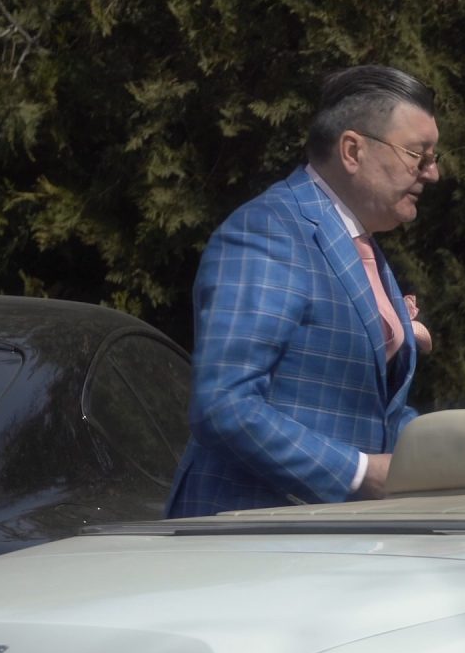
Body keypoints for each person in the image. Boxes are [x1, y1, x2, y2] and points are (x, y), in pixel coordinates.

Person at [167, 66, 442, 517]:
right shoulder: (269, 230)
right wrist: (359, 473)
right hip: (246, 536)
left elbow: (366, 414)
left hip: (320, 536)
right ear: (352, 150)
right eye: (418, 154)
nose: (432, 173)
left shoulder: (358, 243)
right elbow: (225, 405)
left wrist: (450, 454)